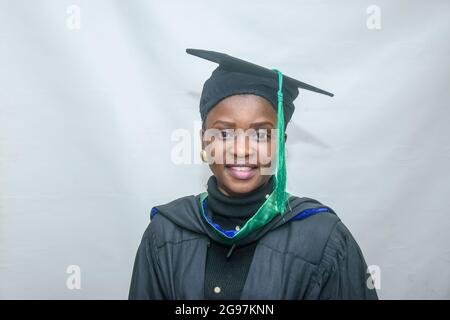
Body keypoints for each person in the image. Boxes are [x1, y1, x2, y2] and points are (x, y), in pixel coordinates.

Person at [128, 48, 378, 300]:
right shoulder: (165, 234)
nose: (242, 149)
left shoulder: (323, 239)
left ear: (280, 144)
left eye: (261, 134)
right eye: (224, 133)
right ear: (204, 141)